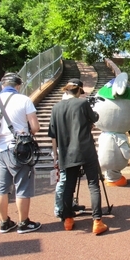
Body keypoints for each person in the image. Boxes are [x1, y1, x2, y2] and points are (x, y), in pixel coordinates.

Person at [0, 73, 42, 234]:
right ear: (18, 86)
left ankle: (4, 223)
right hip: (20, 150)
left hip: (0, 150)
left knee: (1, 187)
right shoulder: (24, 100)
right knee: (22, 185)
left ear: (2, 85)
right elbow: (35, 127)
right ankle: (24, 223)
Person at [48, 78, 108, 234]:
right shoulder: (82, 104)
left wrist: (55, 156)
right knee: (93, 185)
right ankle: (97, 222)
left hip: (67, 152)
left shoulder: (56, 108)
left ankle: (68, 220)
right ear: (80, 91)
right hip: (86, 150)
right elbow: (95, 118)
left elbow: (53, 135)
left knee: (69, 186)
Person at [53, 79, 83, 218]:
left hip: (65, 148)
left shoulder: (60, 105)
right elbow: (54, 134)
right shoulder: (63, 106)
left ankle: (68, 204)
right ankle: (60, 209)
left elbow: (53, 134)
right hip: (66, 149)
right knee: (64, 180)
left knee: (69, 179)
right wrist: (56, 155)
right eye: (80, 92)